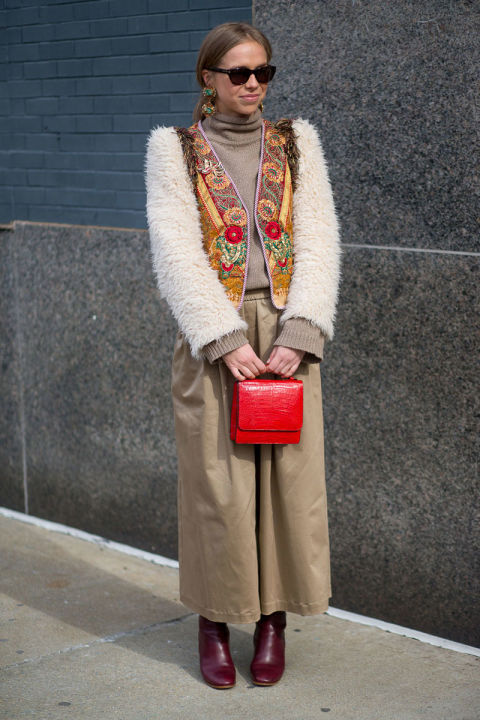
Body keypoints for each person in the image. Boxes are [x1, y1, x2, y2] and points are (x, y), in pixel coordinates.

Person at [145, 21, 341, 689]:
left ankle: (272, 622)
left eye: (263, 73)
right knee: (218, 491)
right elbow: (174, 250)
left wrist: (302, 332)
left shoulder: (297, 143)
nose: (253, 84)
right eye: (238, 73)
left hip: (288, 332)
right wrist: (224, 339)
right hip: (215, 337)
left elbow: (320, 236)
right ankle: (215, 619)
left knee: (288, 489)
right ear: (209, 78)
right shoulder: (173, 150)